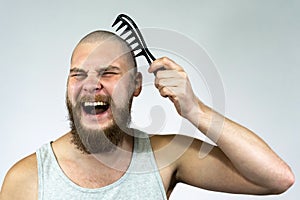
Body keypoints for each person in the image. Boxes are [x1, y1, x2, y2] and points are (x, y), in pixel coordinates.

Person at [0, 30, 294, 200]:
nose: (91, 84)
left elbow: (276, 178)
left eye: (109, 73)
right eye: (79, 75)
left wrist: (194, 109)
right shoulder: (27, 180)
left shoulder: (165, 157)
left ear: (136, 85)